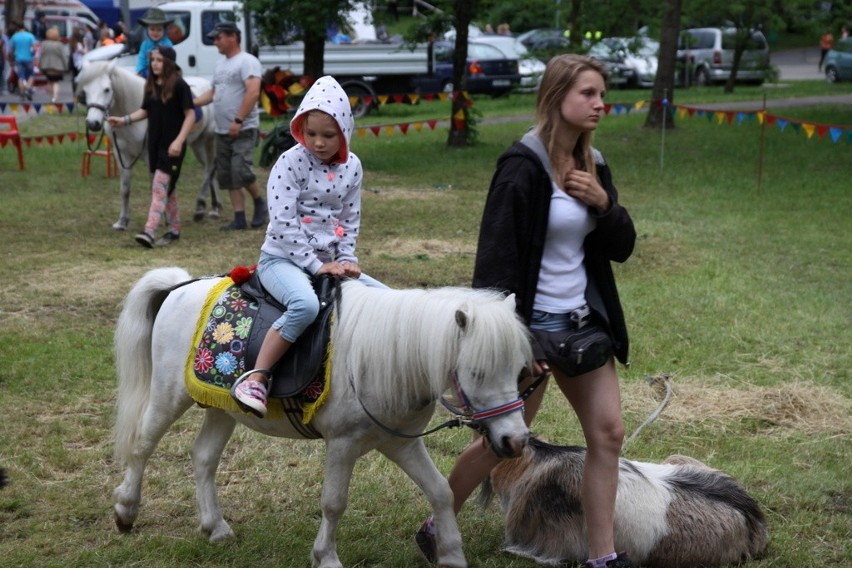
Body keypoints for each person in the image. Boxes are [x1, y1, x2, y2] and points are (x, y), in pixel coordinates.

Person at [414, 54, 637, 568]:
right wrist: (519, 343)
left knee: (609, 435)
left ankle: (602, 557)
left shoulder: (595, 164)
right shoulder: (521, 167)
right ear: (556, 95)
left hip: (581, 329)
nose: (600, 103)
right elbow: (494, 267)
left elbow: (621, 247)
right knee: (504, 443)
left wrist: (604, 204)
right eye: (588, 93)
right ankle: (437, 525)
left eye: (602, 93)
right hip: (527, 332)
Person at [230, 75, 381, 418]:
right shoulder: (289, 162)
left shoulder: (352, 166)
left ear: (344, 131)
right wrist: (317, 266)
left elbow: (349, 217)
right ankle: (257, 377)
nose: (318, 142)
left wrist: (346, 257)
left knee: (387, 300)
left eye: (328, 135)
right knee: (304, 305)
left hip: (329, 262)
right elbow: (284, 224)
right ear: (300, 128)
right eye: (310, 133)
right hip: (282, 261)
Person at [107, 46, 195, 248]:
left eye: (159, 60)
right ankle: (174, 230)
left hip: (173, 147)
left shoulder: (181, 86)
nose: (154, 63)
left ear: (169, 63)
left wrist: (179, 141)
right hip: (154, 145)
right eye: (152, 60)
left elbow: (190, 115)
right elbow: (145, 111)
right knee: (167, 189)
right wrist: (124, 120)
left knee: (158, 188)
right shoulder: (152, 86)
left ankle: (149, 231)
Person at [193, 21, 267, 231]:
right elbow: (214, 93)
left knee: (240, 170)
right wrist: (193, 102)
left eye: (218, 38)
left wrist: (238, 120)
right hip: (222, 130)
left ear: (232, 37)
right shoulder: (220, 65)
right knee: (226, 175)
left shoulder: (247, 61)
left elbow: (253, 92)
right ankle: (239, 217)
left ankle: (260, 203)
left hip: (242, 128)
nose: (215, 42)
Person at [135, 8, 174, 78]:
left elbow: (170, 63)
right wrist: (139, 71)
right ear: (147, 30)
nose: (155, 33)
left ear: (164, 31)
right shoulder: (145, 44)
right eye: (152, 29)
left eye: (159, 30)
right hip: (146, 74)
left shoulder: (167, 44)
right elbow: (141, 59)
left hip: (164, 74)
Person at [8, 21, 38, 100]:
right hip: (28, 59)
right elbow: (34, 48)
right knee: (31, 75)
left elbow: (11, 49)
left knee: (21, 77)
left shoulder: (14, 36)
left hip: (18, 59)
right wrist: (33, 55)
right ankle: (28, 88)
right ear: (24, 28)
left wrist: (11, 58)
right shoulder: (30, 36)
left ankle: (22, 93)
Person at [38, 26, 67, 103]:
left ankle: (50, 97)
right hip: (58, 66)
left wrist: (40, 65)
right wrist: (66, 66)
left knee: (49, 81)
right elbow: (63, 56)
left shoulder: (44, 44)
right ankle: (55, 96)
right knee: (56, 82)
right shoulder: (59, 44)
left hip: (46, 66)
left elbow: (41, 55)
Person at [69, 26, 87, 91]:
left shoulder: (73, 44)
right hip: (79, 64)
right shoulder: (79, 45)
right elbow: (85, 52)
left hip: (75, 64)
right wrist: (85, 44)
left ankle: (75, 91)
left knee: (75, 78)